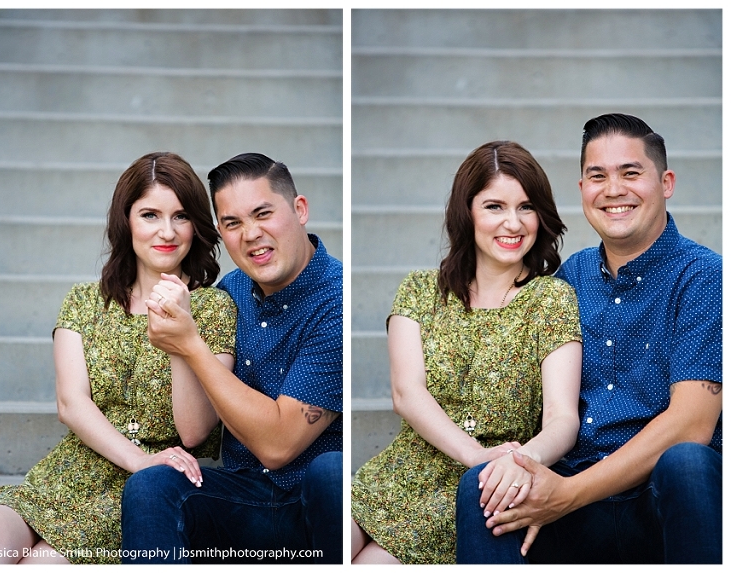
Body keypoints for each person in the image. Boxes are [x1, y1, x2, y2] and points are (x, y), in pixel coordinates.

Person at [456, 113, 722, 564]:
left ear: (667, 182)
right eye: (597, 176)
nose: (613, 189)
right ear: (582, 190)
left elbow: (692, 424)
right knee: (485, 482)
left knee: (688, 464)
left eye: (631, 173)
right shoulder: (567, 280)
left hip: (656, 501)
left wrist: (568, 494)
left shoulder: (703, 277)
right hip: (571, 504)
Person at [0, 152, 236, 564]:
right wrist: (138, 459)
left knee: (43, 562)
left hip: (146, 490)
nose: (167, 231)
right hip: (72, 471)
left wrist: (180, 331)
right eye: (150, 215)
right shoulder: (84, 301)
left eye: (181, 216)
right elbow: (70, 404)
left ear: (196, 225)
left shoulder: (214, 308)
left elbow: (194, 432)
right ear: (126, 220)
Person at [350, 141, 583, 564]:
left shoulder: (552, 299)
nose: (513, 223)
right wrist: (473, 451)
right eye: (495, 206)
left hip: (482, 486)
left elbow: (563, 418)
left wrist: (518, 459)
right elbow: (406, 394)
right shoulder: (421, 289)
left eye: (526, 207)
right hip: (400, 472)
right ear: (467, 212)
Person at [119, 152, 343, 564]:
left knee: (333, 473)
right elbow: (194, 429)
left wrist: (190, 345)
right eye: (234, 223)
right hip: (243, 497)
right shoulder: (232, 291)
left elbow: (278, 447)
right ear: (221, 231)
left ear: (300, 209)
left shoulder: (338, 299)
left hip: (313, 509)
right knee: (152, 486)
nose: (251, 234)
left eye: (263, 214)